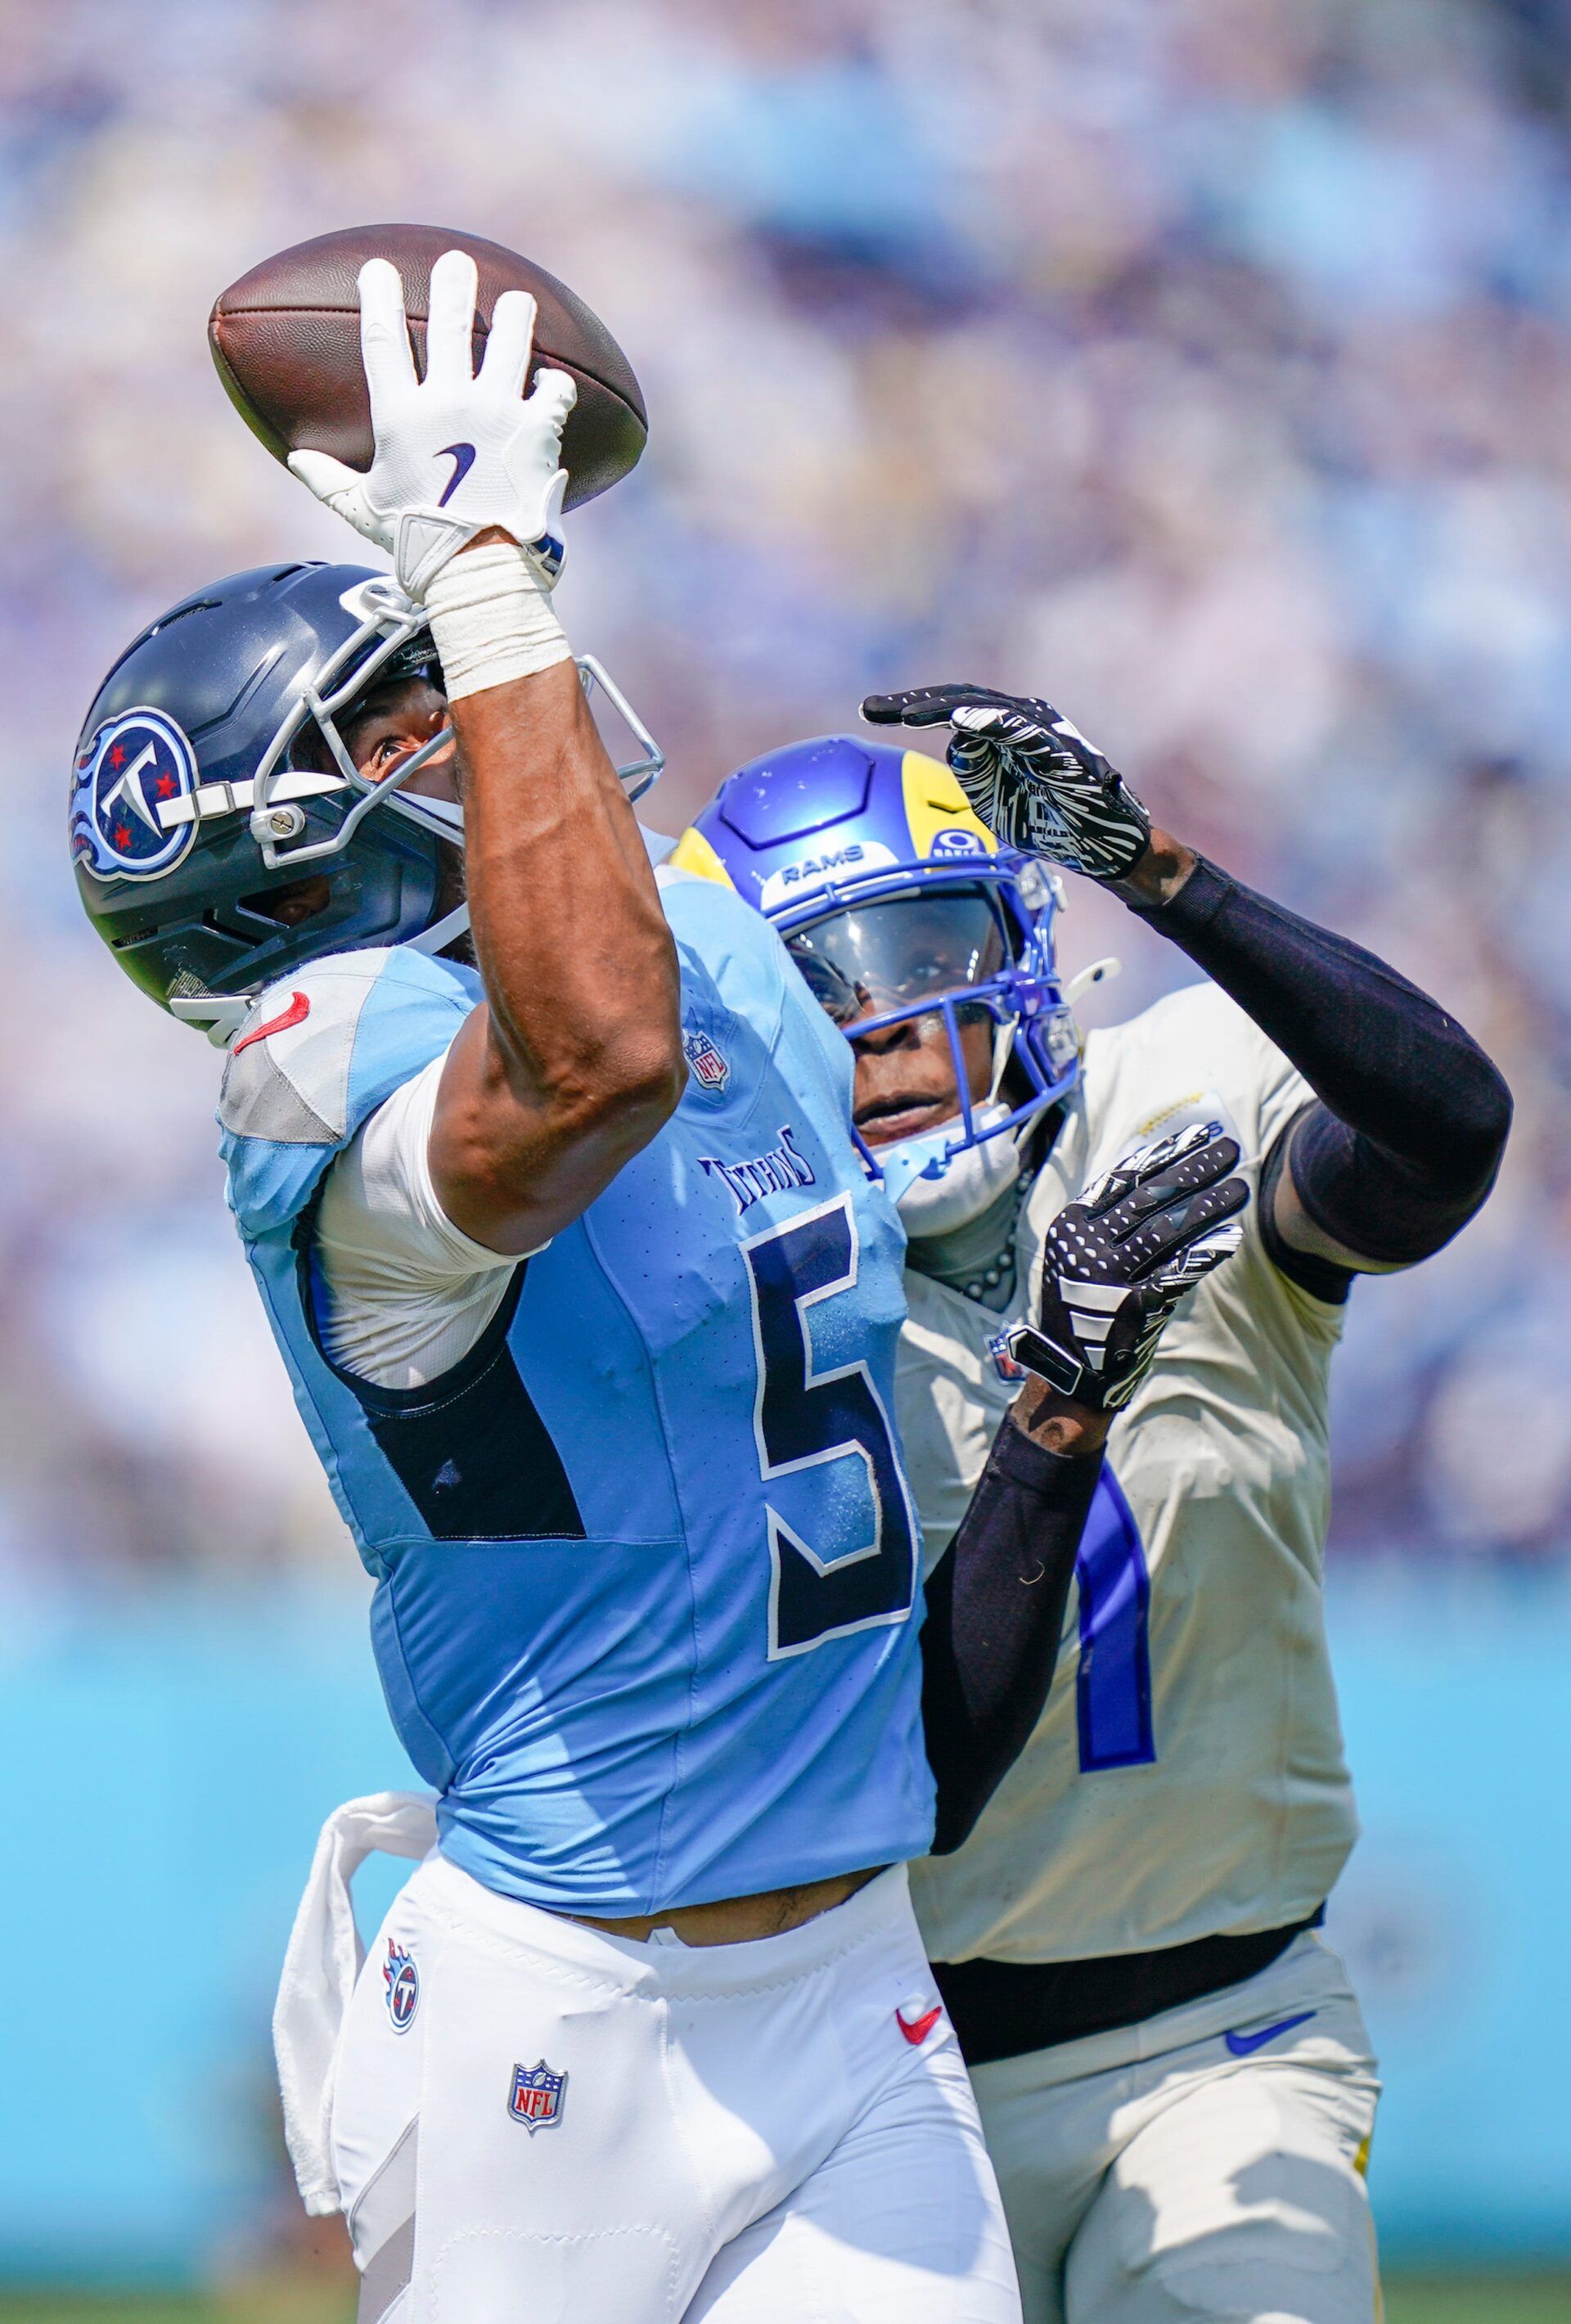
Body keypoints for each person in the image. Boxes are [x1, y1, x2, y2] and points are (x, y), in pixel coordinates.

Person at [70, 256, 1246, 2324]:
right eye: (408, 719)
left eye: (446, 682)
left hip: (853, 1977)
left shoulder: (697, 952)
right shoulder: (324, 1073)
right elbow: (588, 1065)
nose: (476, 725)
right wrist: (485, 575)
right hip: (564, 2012)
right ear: (293, 864)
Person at [677, 688, 1512, 2324]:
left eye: (919, 951)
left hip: (1229, 2035)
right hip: (877, 2071)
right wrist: (1059, 1394)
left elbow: (1445, 1133)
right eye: (809, 985)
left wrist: (1165, 870)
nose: (880, 1024)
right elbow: (922, 1767)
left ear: (1021, 945)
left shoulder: (1175, 1096)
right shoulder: (724, 1295)